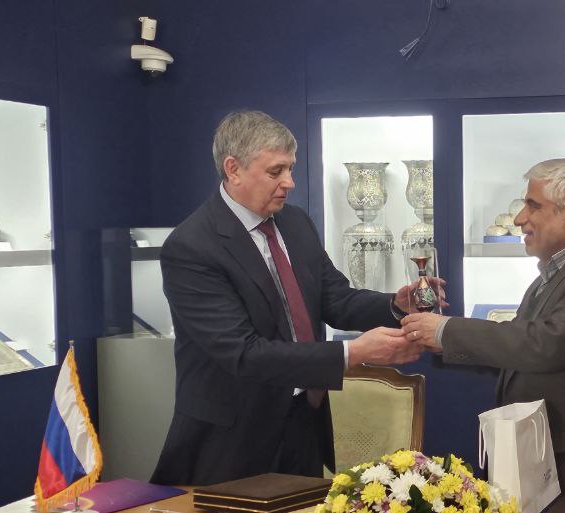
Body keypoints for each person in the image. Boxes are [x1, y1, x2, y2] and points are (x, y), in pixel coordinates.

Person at [151, 110, 425, 486]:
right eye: (276, 171)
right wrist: (353, 353)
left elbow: (335, 299)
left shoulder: (295, 223)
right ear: (233, 169)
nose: (289, 182)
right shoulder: (191, 247)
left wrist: (395, 304)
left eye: (291, 169)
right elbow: (243, 353)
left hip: (302, 421)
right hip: (232, 440)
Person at [401, 158, 565, 498]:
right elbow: (520, 349)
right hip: (550, 466)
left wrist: (445, 330)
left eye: (533, 206)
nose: (520, 219)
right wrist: (441, 343)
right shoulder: (553, 276)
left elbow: (544, 344)